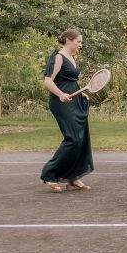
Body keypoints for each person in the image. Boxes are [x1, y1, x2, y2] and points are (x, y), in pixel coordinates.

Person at [40, 28, 94, 192]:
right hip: (61, 102)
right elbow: (48, 81)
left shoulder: (72, 58)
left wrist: (82, 95)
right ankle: (49, 174)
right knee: (73, 138)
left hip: (75, 100)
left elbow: (71, 82)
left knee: (82, 138)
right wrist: (61, 94)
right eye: (79, 41)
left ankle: (73, 177)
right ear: (69, 40)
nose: (81, 45)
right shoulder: (58, 57)